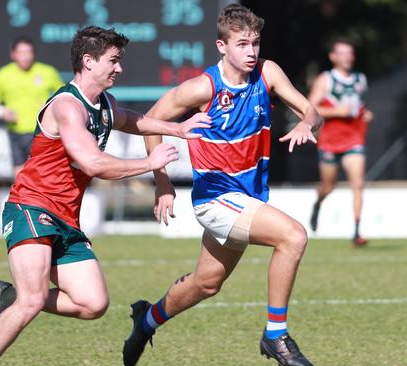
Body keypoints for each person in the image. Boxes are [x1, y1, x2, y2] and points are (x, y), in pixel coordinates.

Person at [0, 26, 211, 366]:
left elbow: (132, 120)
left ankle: (6, 296)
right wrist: (149, 163)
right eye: (113, 61)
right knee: (33, 298)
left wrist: (178, 128)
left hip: (66, 217)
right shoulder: (69, 108)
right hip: (31, 206)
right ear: (88, 61)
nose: (119, 68)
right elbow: (92, 162)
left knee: (92, 304)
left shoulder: (103, 104)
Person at [122, 4, 322, 366]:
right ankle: (276, 336)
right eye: (242, 44)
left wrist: (308, 122)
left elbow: (312, 110)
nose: (251, 51)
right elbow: (149, 121)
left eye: (255, 43)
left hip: (246, 198)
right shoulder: (203, 87)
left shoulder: (268, 73)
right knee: (293, 236)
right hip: (215, 199)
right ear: (222, 46)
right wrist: (162, 182)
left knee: (206, 283)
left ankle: (146, 320)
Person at [307, 38, 373, 247]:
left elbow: (359, 106)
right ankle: (318, 203)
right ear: (333, 57)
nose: (347, 57)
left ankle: (356, 232)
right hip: (330, 141)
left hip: (354, 140)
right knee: (329, 186)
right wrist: (337, 111)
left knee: (358, 184)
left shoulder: (360, 79)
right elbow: (309, 108)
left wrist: (365, 114)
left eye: (350, 53)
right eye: (342, 53)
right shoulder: (326, 80)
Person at [0, 36, 63, 176]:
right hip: (16, 132)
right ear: (13, 54)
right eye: (21, 53)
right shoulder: (4, 74)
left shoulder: (47, 72)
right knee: (20, 174)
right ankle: (22, 197)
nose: (26, 57)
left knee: (41, 172)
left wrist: (50, 105)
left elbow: (65, 96)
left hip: (42, 132)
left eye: (29, 52)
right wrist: (1, 111)